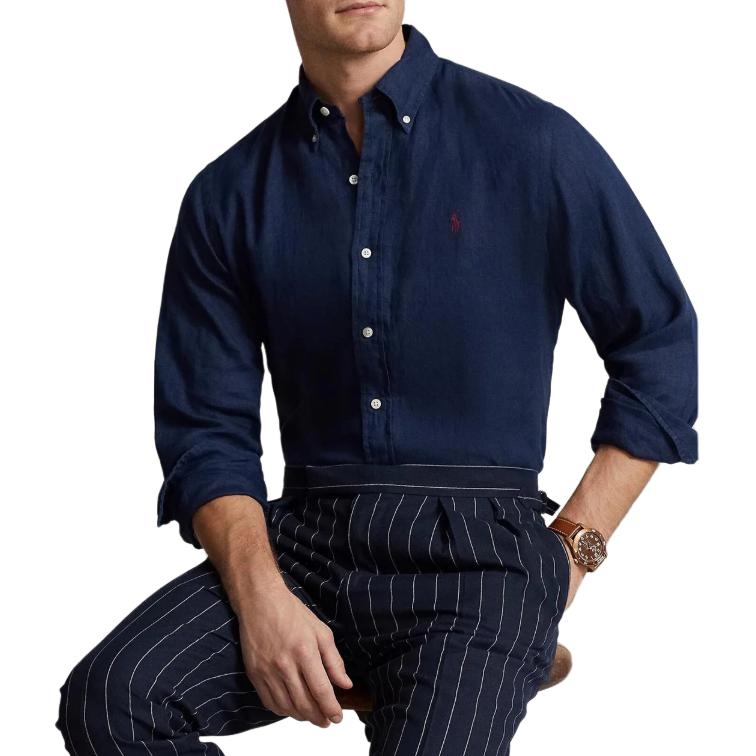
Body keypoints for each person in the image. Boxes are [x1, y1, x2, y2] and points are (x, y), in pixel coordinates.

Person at [56, 1, 698, 754]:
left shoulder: (534, 142)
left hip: (482, 557)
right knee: (114, 701)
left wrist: (571, 552)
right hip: (303, 545)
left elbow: (658, 342)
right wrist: (261, 597)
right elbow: (206, 430)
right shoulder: (229, 193)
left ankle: (502, 651)